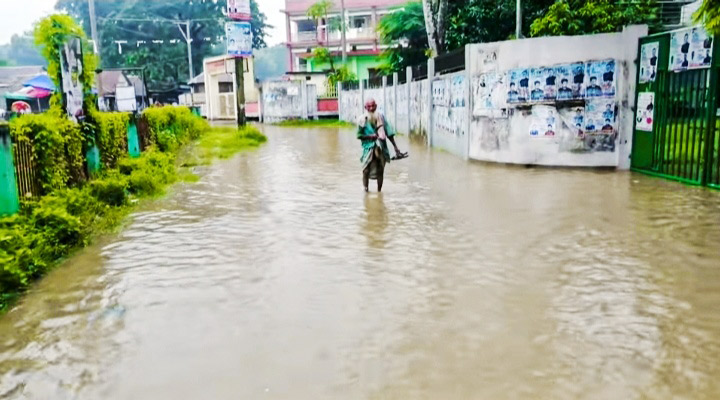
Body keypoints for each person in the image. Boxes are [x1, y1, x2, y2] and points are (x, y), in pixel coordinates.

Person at [357, 99, 407, 192]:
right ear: (366, 108)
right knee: (365, 170)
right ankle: (366, 191)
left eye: (373, 106)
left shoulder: (381, 117)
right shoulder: (362, 120)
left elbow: (389, 133)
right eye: (369, 106)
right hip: (368, 148)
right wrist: (370, 136)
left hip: (381, 147)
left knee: (380, 170)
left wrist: (396, 148)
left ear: (376, 106)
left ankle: (379, 192)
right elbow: (359, 135)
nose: (371, 108)